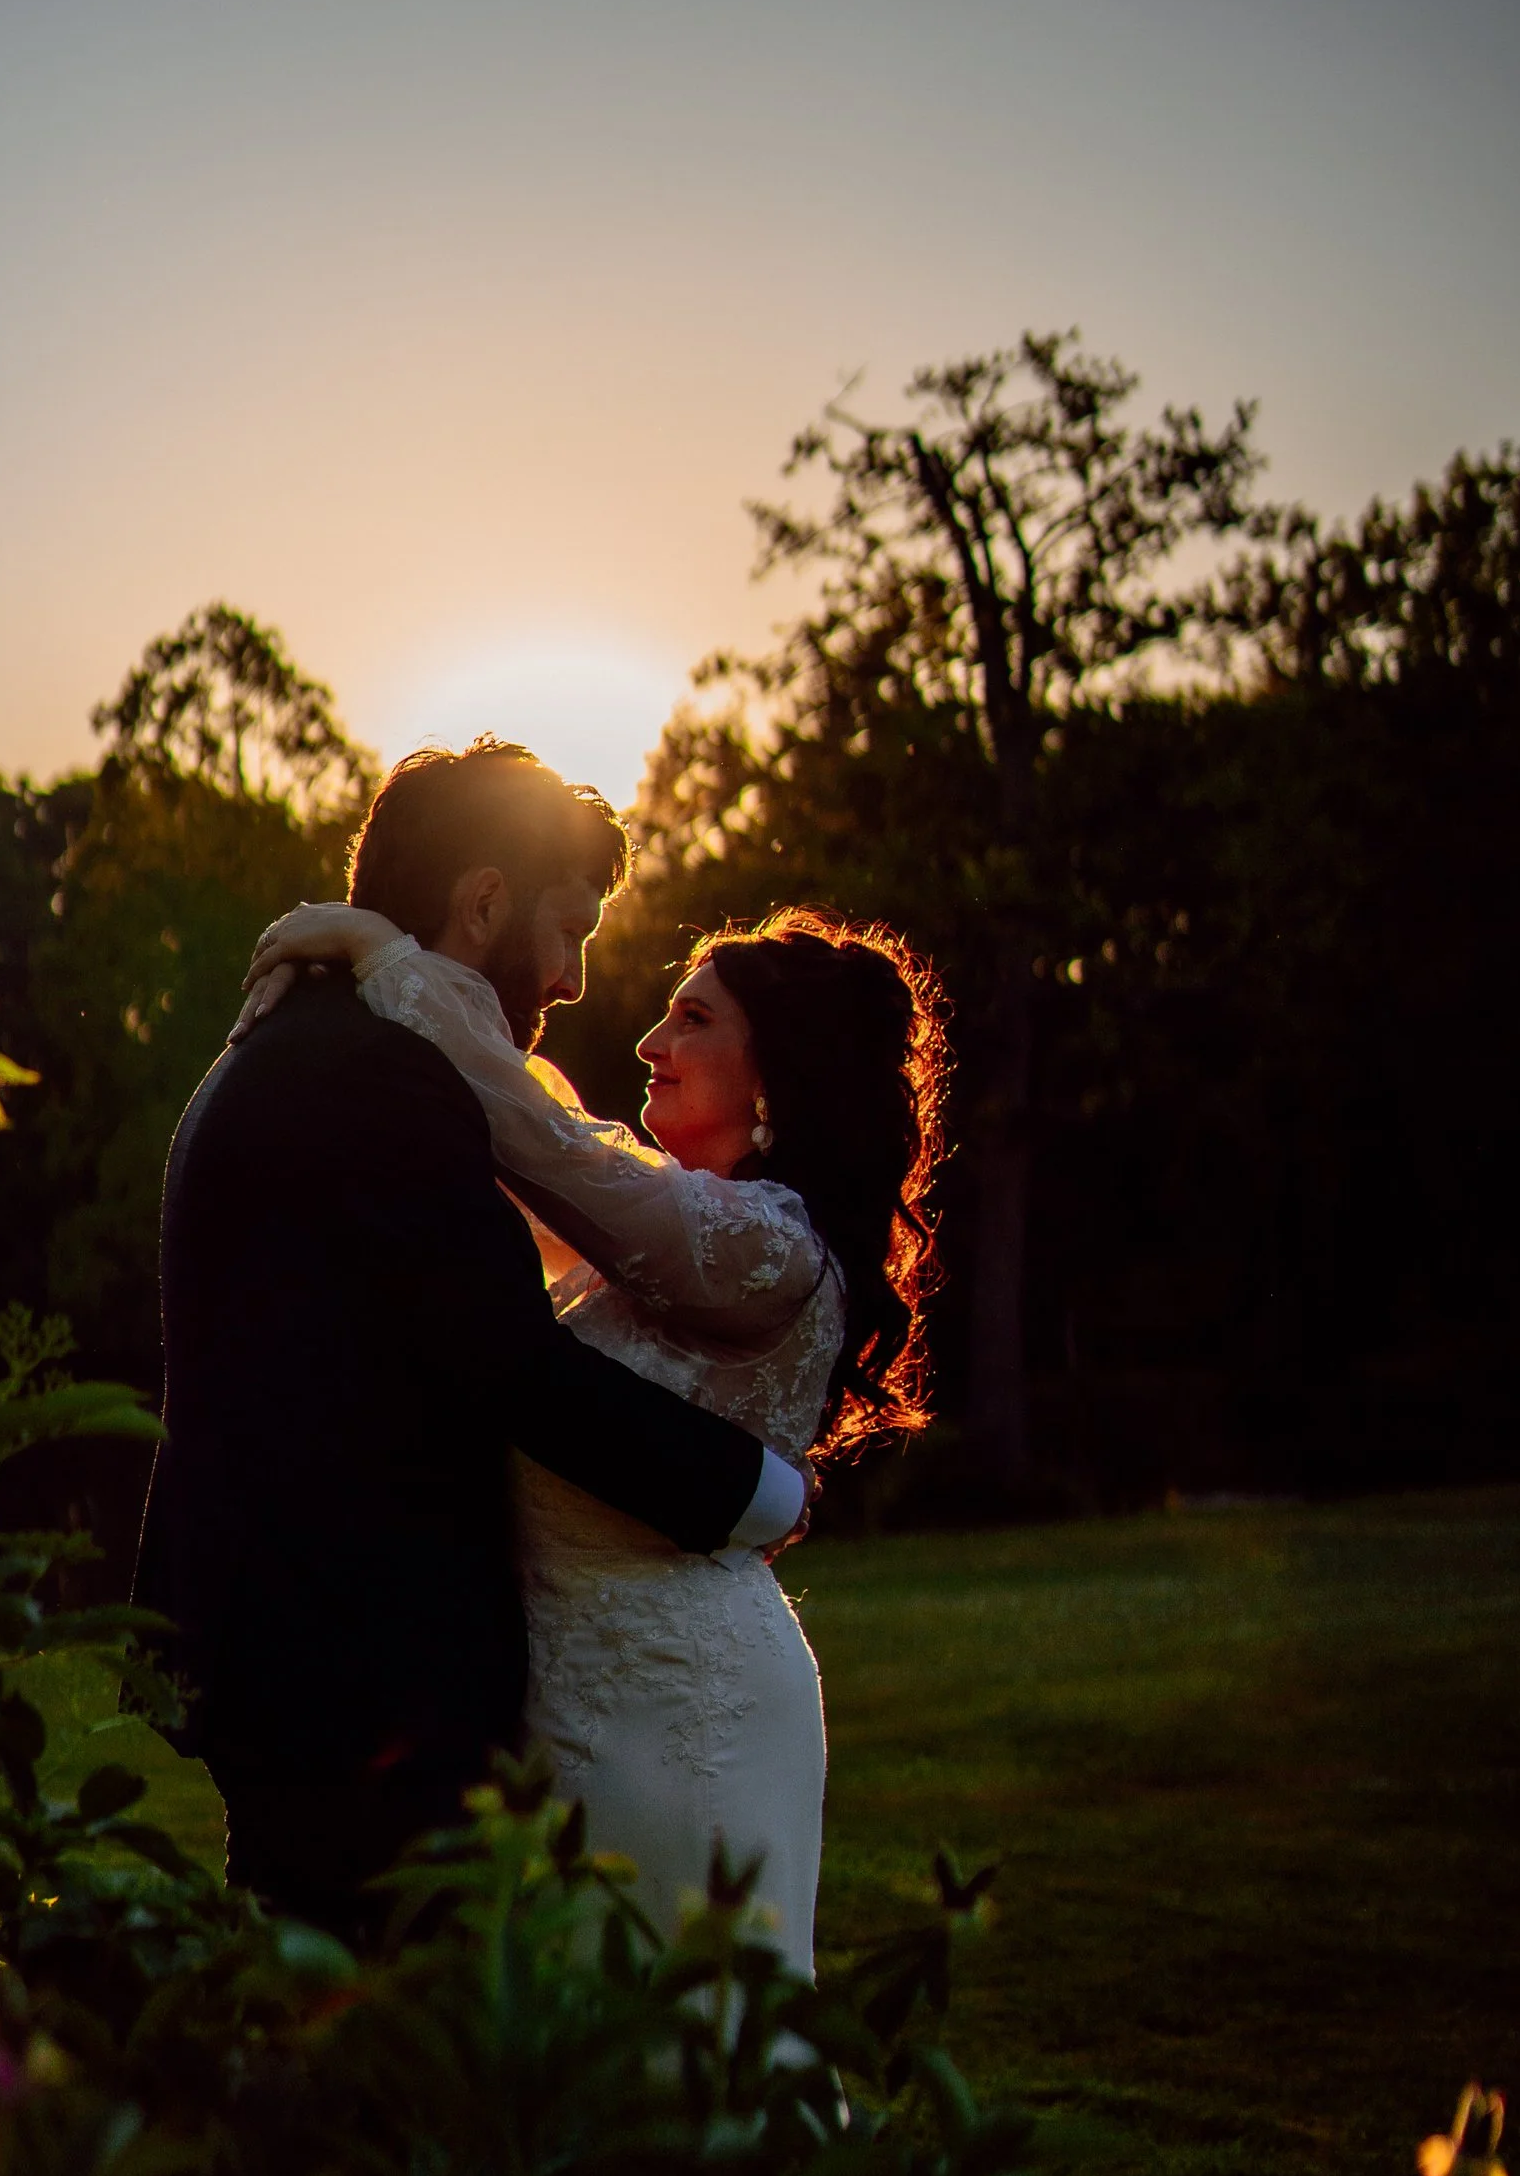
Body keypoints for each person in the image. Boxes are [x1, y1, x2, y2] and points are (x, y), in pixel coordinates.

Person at [134, 741, 810, 1939]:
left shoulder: (291, 1046)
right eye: (567, 930)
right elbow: (511, 1365)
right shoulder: (380, 1077)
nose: (570, 979)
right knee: (381, 2047)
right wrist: (751, 1488)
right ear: (483, 901)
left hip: (293, 1648)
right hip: (363, 1676)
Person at [236, 886, 947, 1971]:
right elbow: (522, 1136)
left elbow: (547, 1144)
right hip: (577, 1693)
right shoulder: (672, 1230)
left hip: (678, 1698)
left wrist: (392, 963)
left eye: (695, 1019)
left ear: (778, 1075)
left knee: (671, 2038)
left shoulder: (766, 1246)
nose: (651, 1040)